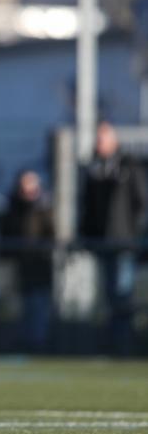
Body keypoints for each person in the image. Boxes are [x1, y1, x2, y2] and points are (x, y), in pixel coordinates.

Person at [79, 122, 147, 355]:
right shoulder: (93, 169)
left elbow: (141, 202)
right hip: (101, 242)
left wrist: (131, 232)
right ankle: (110, 344)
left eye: (103, 138)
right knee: (108, 296)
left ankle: (123, 345)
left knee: (122, 292)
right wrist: (86, 234)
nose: (99, 143)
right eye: (97, 139)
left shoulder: (128, 166)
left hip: (123, 241)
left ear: (113, 141)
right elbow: (86, 206)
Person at [0, 170, 54, 352]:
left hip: (39, 264)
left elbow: (52, 233)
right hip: (19, 265)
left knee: (38, 305)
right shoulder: (13, 207)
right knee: (19, 306)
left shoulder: (44, 206)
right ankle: (21, 342)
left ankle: (38, 344)